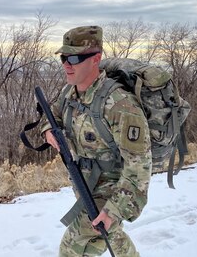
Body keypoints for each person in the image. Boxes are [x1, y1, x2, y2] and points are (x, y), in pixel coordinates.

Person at [40, 26, 152, 257]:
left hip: (112, 189)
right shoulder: (69, 93)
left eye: (74, 58)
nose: (66, 64)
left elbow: (139, 166)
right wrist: (49, 130)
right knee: (107, 236)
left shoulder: (120, 104)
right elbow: (53, 114)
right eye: (63, 57)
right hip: (84, 181)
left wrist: (114, 210)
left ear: (96, 59)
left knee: (72, 247)